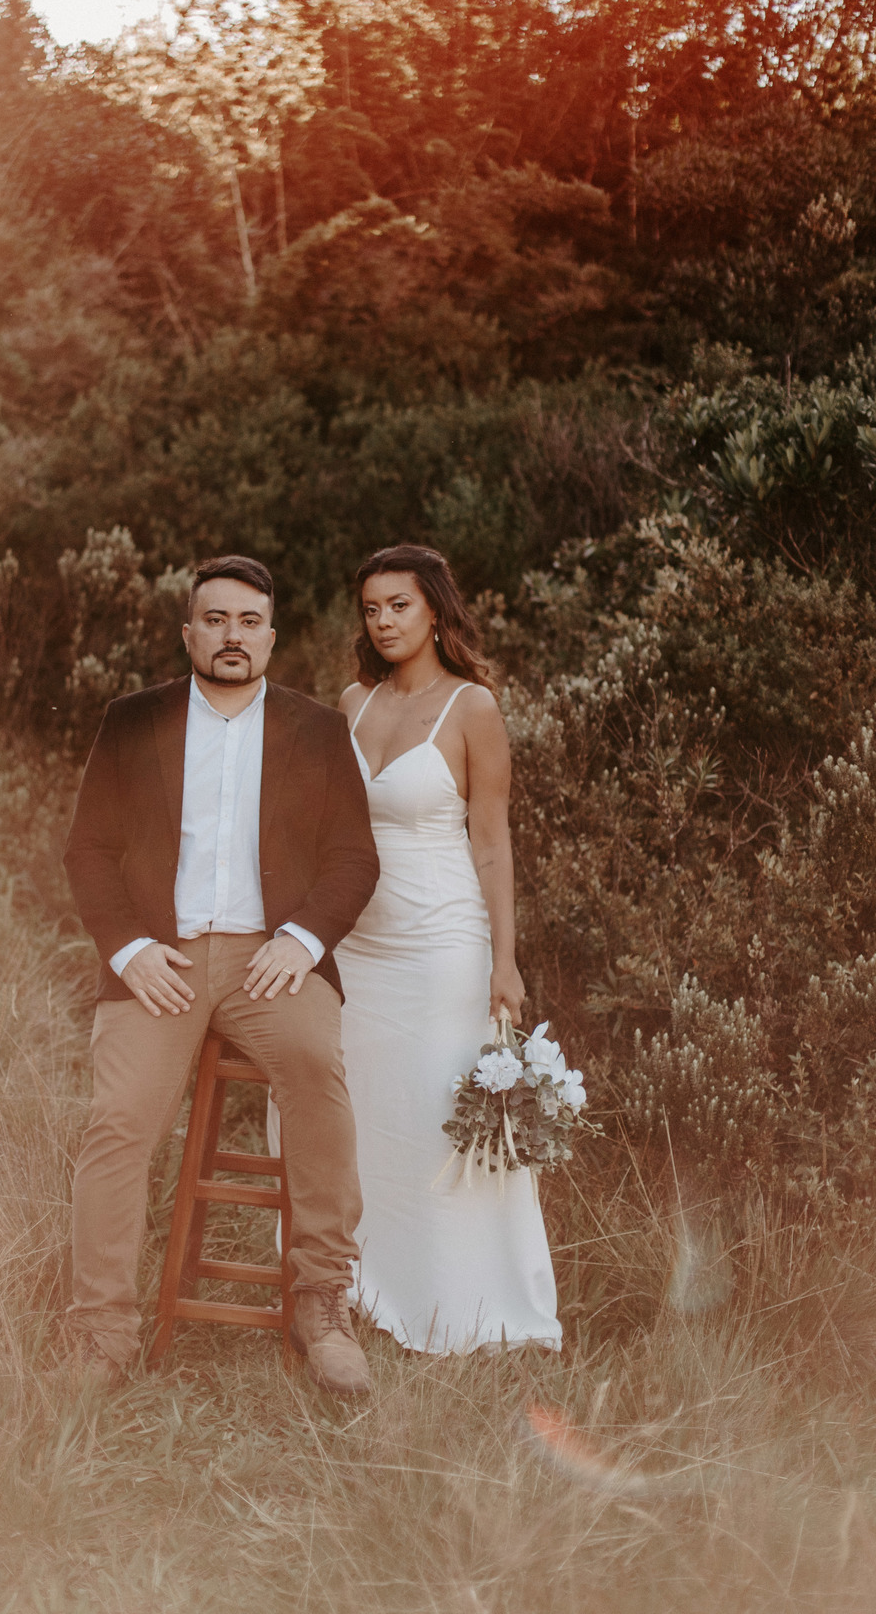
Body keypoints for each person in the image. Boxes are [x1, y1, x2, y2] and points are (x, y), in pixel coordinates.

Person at [62, 555, 381, 1396]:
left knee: (317, 1072)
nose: (231, 636)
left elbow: (353, 858)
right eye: (215, 620)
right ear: (188, 633)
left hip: (269, 959)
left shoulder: (317, 730)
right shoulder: (133, 720)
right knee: (118, 1119)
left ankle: (321, 1306)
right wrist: (129, 949)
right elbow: (87, 850)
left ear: (271, 637)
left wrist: (302, 940)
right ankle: (101, 1332)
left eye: (248, 622)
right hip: (159, 959)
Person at [331, 543, 561, 1353]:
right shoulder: (352, 702)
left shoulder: (473, 708)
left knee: (435, 1116)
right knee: (364, 1116)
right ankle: (361, 1289)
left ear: (434, 610)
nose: (384, 621)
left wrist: (505, 959)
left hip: (441, 944)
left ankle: (462, 1301)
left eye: (399, 605)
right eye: (372, 608)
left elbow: (492, 842)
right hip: (357, 950)